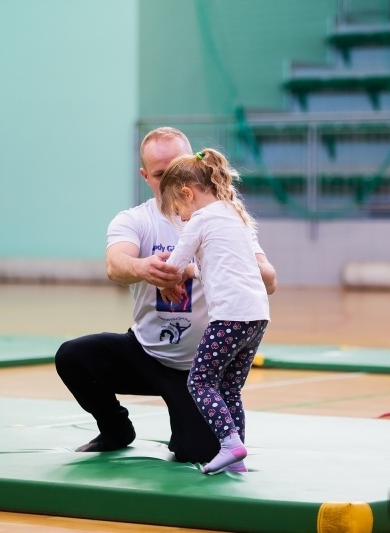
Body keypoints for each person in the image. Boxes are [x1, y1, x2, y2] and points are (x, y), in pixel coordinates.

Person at [54, 127, 276, 467]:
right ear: (145, 176)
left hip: (199, 366)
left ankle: (196, 430)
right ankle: (115, 429)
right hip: (145, 353)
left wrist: (225, 263)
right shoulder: (134, 219)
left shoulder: (222, 218)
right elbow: (116, 265)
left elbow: (269, 279)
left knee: (197, 452)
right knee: (72, 356)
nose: (173, 180)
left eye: (178, 168)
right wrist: (145, 268)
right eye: (161, 174)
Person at [157, 148, 269, 474]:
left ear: (187, 194)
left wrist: (168, 278)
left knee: (200, 382)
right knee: (229, 387)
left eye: (179, 210)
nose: (181, 218)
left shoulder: (201, 219)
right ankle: (238, 461)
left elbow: (176, 266)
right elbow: (217, 264)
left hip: (230, 315)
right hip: (257, 314)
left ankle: (230, 443)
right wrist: (191, 271)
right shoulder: (234, 214)